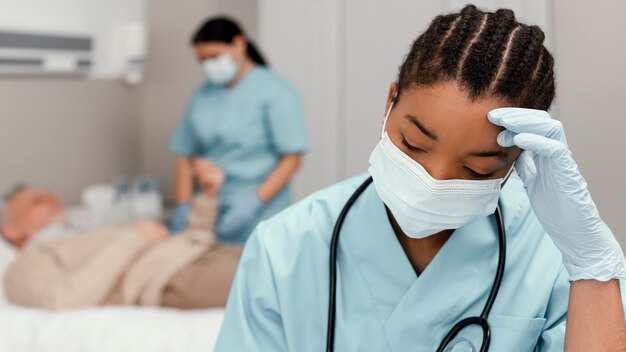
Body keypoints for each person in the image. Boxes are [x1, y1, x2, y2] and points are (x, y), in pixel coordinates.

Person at [215, 5, 626, 351]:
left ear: (519, 158)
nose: (434, 180)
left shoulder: (554, 257)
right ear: (390, 101)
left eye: (477, 168)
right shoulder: (284, 249)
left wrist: (592, 269)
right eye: (413, 144)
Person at [2, 160, 241, 309]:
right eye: (38, 201)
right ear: (11, 230)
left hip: (201, 253)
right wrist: (136, 238)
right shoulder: (29, 259)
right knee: (271, 280)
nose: (53, 198)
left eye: (51, 194)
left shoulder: (85, 233)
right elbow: (59, 299)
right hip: (174, 277)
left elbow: (192, 240)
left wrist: (208, 198)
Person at [168, 17, 309, 243]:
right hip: (208, 211)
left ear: (239, 44)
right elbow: (185, 153)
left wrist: (254, 201)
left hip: (261, 213)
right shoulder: (201, 95)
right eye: (202, 60)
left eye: (214, 57)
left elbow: (292, 158)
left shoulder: (277, 92)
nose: (208, 65)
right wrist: (183, 205)